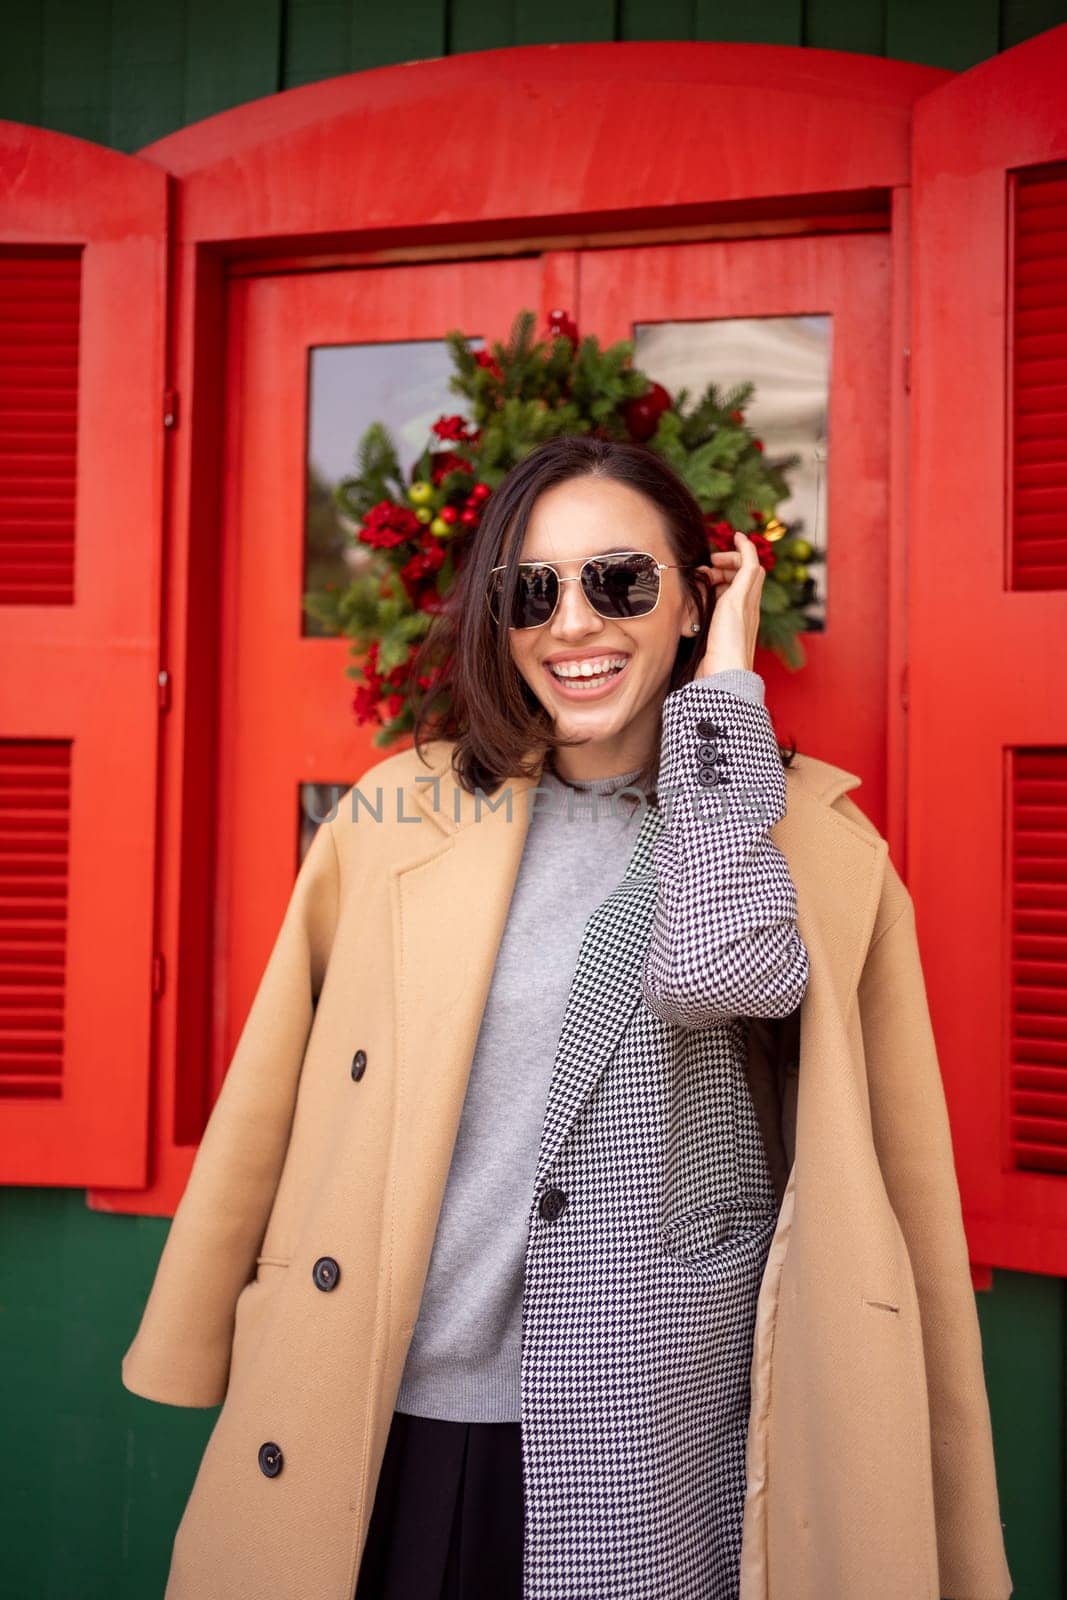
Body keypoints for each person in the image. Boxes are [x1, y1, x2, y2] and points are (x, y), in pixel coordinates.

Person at [122, 435, 1013, 1600]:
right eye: (530, 590)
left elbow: (720, 971)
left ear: (695, 600)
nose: (573, 624)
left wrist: (722, 709)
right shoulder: (397, 813)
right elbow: (274, 1096)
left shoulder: (808, 847)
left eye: (621, 581)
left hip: (642, 1425)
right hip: (376, 1403)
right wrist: (199, 1330)